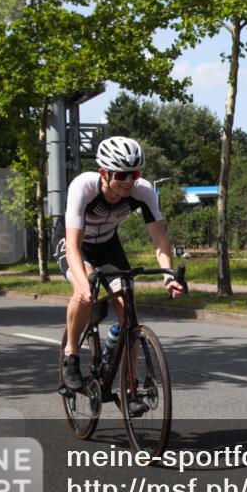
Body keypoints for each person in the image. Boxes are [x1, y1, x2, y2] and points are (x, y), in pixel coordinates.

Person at [53, 136, 184, 390]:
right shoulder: (83, 187)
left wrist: (168, 276)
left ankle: (130, 386)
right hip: (74, 242)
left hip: (108, 244)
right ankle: (70, 355)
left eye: (134, 173)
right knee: (85, 291)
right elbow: (72, 246)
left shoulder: (143, 191)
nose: (128, 182)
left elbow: (160, 240)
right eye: (121, 175)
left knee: (127, 307)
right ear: (103, 172)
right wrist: (82, 286)